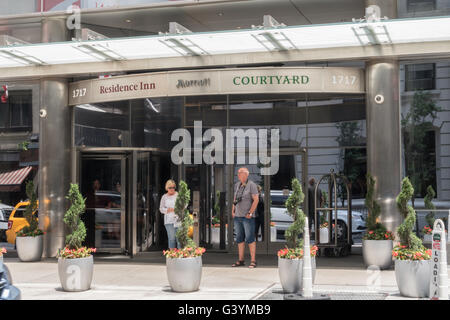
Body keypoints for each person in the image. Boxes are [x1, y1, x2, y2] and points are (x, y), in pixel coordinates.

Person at [232, 167, 259, 268]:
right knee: (239, 239)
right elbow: (235, 199)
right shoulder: (237, 185)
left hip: (247, 217)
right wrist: (232, 210)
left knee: (250, 238)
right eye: (238, 173)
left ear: (246, 175)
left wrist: (250, 213)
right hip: (238, 216)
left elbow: (256, 200)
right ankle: (241, 260)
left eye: (241, 173)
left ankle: (253, 261)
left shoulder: (251, 185)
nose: (239, 175)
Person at [159, 179, 181, 249]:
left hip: (179, 219)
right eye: (170, 187)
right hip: (169, 221)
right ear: (167, 188)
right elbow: (161, 208)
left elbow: (185, 205)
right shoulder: (164, 197)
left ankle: (180, 257)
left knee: (179, 240)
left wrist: (177, 208)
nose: (172, 189)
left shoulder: (178, 195)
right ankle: (172, 257)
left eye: (173, 187)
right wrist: (168, 210)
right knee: (171, 239)